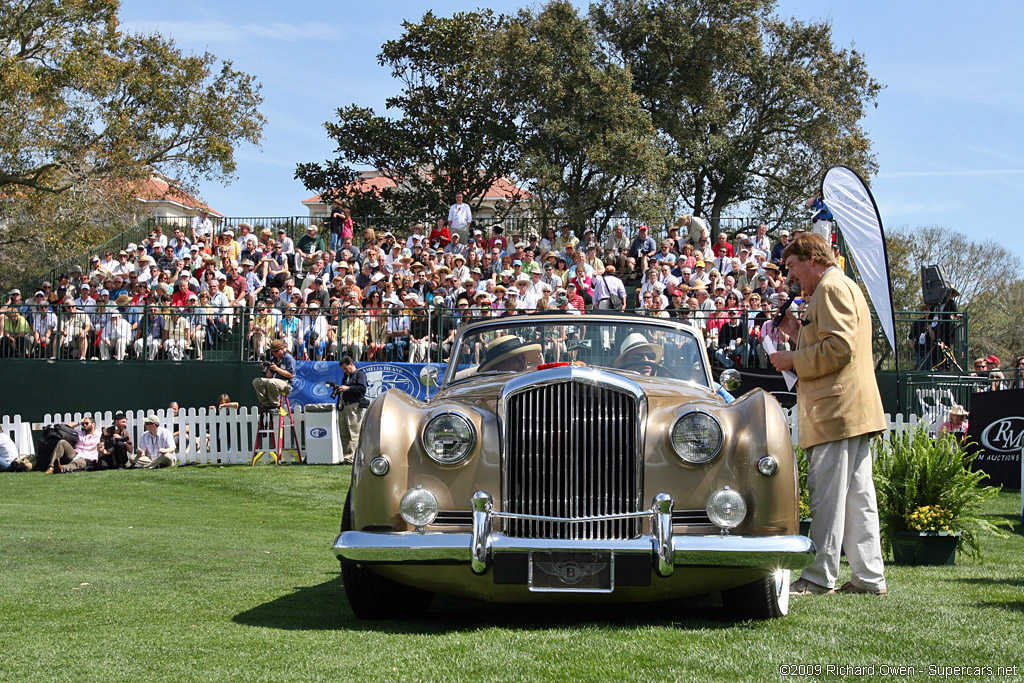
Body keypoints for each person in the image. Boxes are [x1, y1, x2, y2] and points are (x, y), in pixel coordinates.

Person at [770, 233, 887, 596]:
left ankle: (818, 577)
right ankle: (869, 578)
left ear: (812, 259)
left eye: (792, 267)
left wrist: (792, 359)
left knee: (827, 497)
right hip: (850, 408)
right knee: (857, 498)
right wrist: (796, 333)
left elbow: (839, 348)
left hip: (836, 410)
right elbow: (832, 341)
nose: (791, 277)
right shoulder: (840, 286)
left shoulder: (831, 288)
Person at [333, 356, 368, 464]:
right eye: (343, 369)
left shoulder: (359, 374)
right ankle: (347, 457)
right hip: (344, 406)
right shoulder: (345, 377)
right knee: (344, 433)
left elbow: (362, 388)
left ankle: (354, 457)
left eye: (345, 368)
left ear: (351, 364)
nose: (344, 371)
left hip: (354, 406)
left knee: (354, 433)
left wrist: (348, 388)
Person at [252, 339, 296, 410]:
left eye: (276, 351)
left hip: (287, 383)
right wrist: (266, 367)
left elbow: (291, 375)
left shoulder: (289, 358)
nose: (274, 353)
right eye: (272, 351)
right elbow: (269, 376)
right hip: (274, 380)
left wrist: (277, 369)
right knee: (256, 381)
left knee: (271, 382)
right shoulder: (273, 359)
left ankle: (275, 404)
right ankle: (267, 404)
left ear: (281, 349)